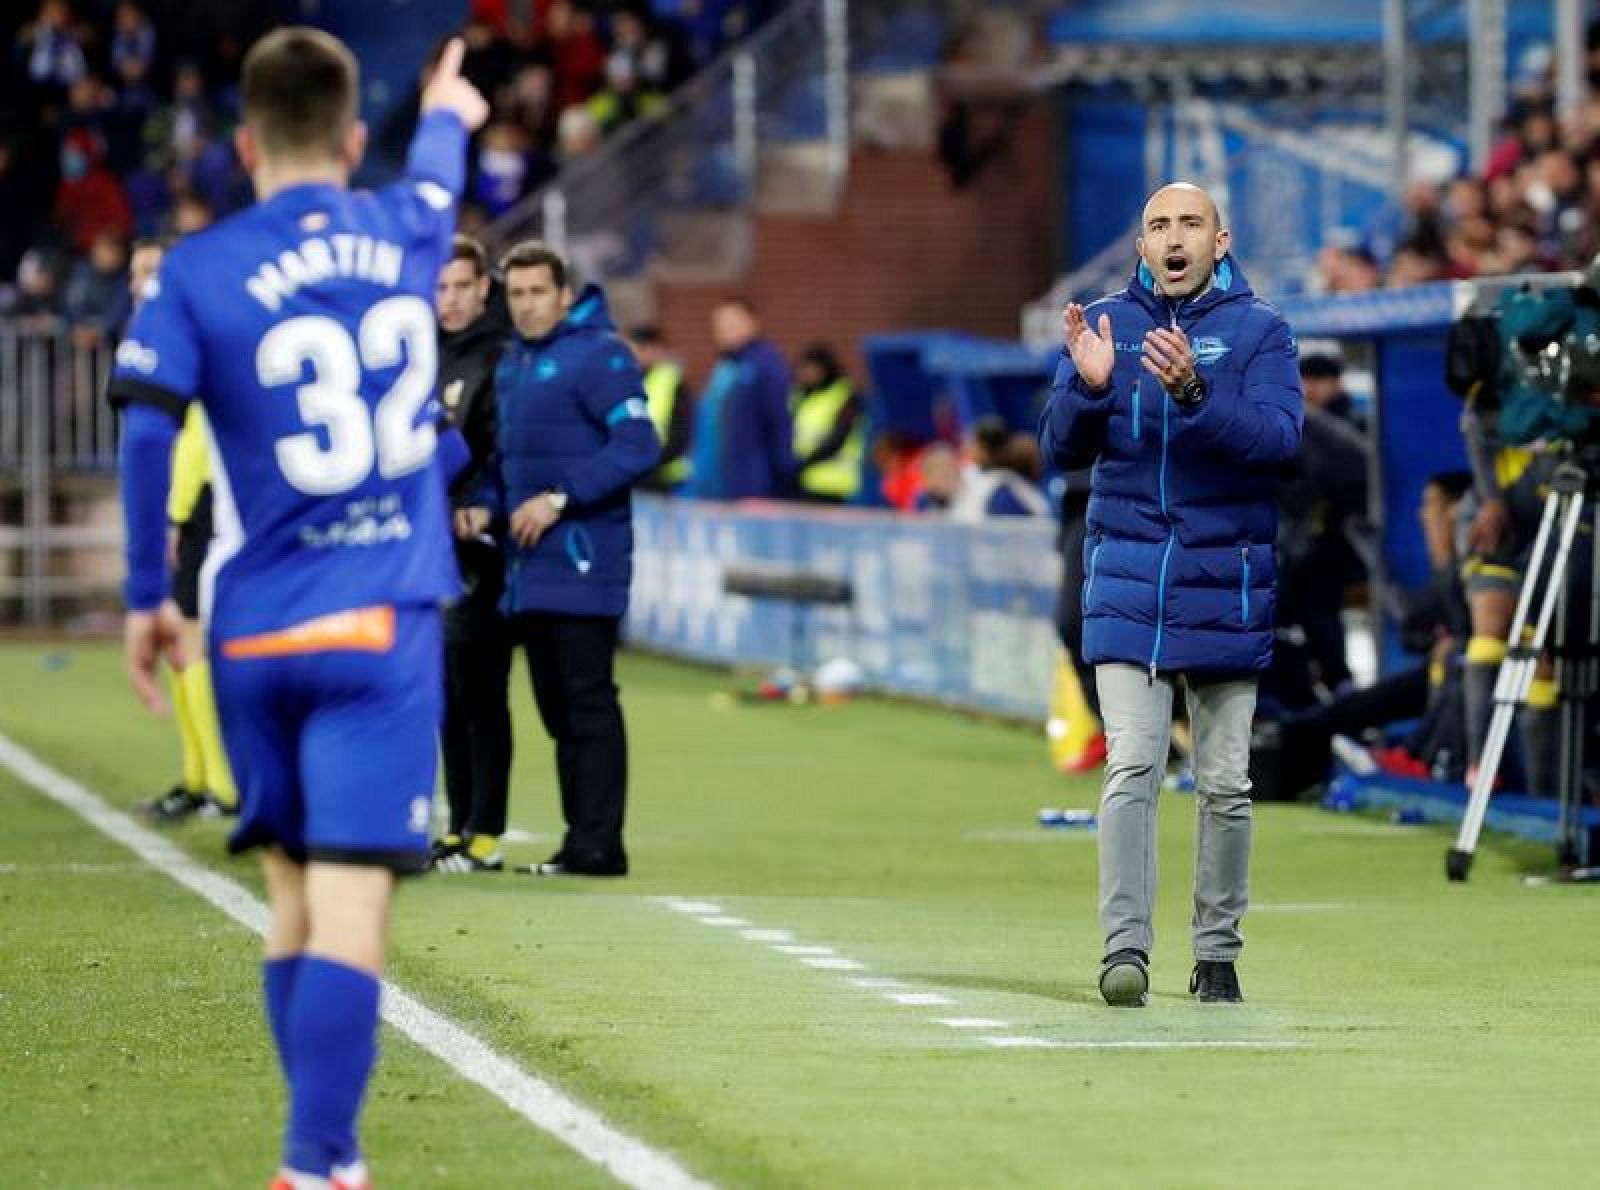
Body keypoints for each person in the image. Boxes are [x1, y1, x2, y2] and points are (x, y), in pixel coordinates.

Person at [111, 28, 487, 1187]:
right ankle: (317, 1159)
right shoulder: (407, 220)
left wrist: (141, 596)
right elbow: (442, 158)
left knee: (289, 898)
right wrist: (448, 104)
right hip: (378, 624)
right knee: (352, 906)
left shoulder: (192, 267)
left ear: (241, 143)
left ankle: (330, 1155)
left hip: (251, 622)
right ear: (353, 136)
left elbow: (142, 425)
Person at [1039, 181, 1302, 1007]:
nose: (1175, 237)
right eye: (1159, 225)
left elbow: (1279, 443)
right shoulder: (1106, 328)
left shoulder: (1262, 333)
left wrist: (1196, 393)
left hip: (1225, 583)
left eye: (1191, 223)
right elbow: (1056, 448)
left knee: (1224, 781)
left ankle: (1217, 953)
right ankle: (1125, 951)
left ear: (1220, 242)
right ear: (1142, 244)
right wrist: (1086, 389)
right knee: (1133, 765)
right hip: (1124, 581)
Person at [466, 240, 659, 877]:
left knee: (587, 702)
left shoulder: (600, 356)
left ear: (565, 295)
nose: (526, 305)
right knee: (557, 707)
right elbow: (507, 465)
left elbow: (637, 443)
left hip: (583, 559)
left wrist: (559, 499)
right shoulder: (514, 364)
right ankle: (581, 840)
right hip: (530, 569)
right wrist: (485, 504)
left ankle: (600, 845)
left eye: (537, 292)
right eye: (516, 294)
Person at [122, 234, 236, 826]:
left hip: (200, 507)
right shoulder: (159, 342)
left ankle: (220, 783)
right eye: (137, 270)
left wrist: (172, 513)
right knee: (181, 647)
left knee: (193, 639)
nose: (143, 281)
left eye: (152, 270)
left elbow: (192, 439)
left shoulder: (185, 338)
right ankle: (198, 778)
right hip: (186, 506)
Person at [433, 234, 514, 873]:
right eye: (440, 287)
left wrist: (486, 503)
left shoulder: (498, 357)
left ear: (483, 288)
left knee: (480, 686)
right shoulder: (424, 356)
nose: (450, 299)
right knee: (442, 690)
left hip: (479, 545)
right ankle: (457, 824)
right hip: (428, 543)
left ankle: (485, 831)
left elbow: (504, 450)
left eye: (461, 286)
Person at [686, 295, 794, 500]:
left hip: (752, 486)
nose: (725, 332)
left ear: (754, 322)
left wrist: (781, 476)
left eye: (733, 324)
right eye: (720, 326)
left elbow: (778, 421)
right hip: (716, 484)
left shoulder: (766, 366)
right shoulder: (724, 368)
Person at [790, 343, 864, 504]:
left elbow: (838, 437)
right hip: (804, 481)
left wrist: (807, 461)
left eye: (812, 369)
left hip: (834, 484)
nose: (807, 374)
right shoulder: (799, 396)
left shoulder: (844, 396)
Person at [629, 324, 693, 491]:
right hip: (637, 476)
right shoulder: (629, 381)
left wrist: (651, 461)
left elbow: (680, 433)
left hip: (665, 479)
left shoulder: (671, 381)